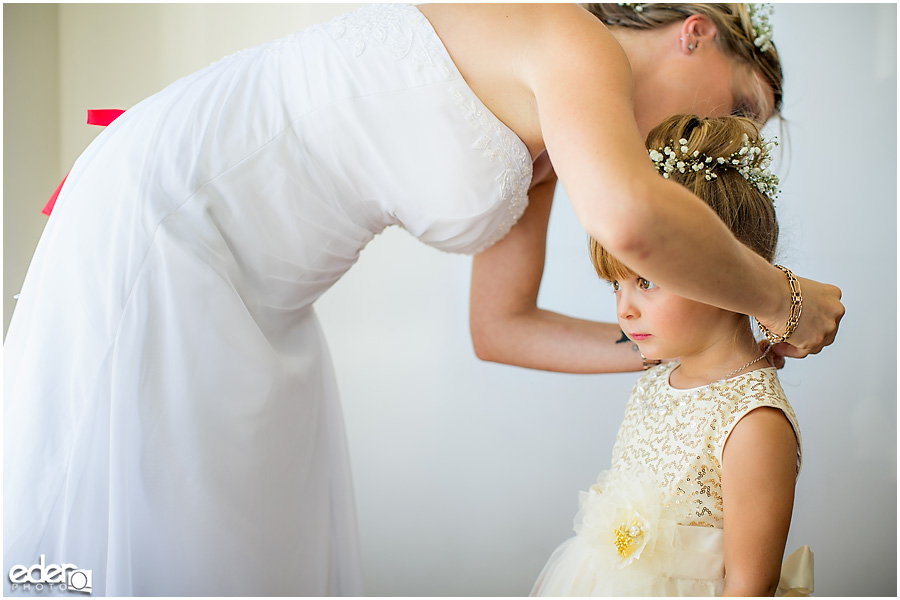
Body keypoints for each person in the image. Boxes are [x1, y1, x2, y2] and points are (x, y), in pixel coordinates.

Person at [3, 3, 842, 596]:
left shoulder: (557, 134)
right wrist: (783, 298)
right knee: (162, 521)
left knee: (245, 535)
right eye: (741, 108)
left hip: (267, 294)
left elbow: (500, 327)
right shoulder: (572, 39)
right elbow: (631, 222)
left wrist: (681, 350)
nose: (735, 140)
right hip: (177, 220)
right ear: (694, 35)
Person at [531, 114, 813, 597]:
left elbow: (749, 587)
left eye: (645, 282)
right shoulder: (656, 377)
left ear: (725, 271)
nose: (624, 309)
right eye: (615, 286)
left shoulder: (753, 421)